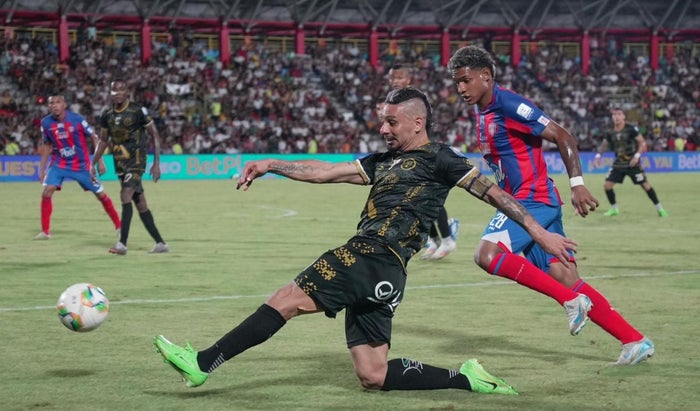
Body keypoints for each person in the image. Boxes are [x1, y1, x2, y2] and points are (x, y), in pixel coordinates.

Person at [153, 87, 589, 393]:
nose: (383, 128)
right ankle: (469, 379)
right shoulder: (382, 161)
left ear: (417, 122)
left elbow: (496, 195)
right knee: (373, 375)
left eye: (391, 121)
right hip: (388, 272)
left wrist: (540, 233)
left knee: (286, 299)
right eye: (382, 120)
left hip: (369, 253)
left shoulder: (442, 159)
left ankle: (203, 362)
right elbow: (325, 172)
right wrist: (272, 164)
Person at [447, 46, 654, 365]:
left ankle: (570, 302)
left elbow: (563, 135)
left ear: (486, 76)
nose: (460, 88)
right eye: (457, 82)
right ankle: (634, 340)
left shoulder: (508, 104)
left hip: (533, 198)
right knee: (565, 276)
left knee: (487, 255)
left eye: (465, 80)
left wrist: (577, 184)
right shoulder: (483, 110)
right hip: (527, 201)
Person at [387, 63, 459, 260]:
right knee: (415, 198)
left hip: (422, 151)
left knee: (430, 195)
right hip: (406, 152)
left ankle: (447, 239)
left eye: (399, 77)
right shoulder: (393, 99)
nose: (395, 81)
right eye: (392, 77)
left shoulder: (416, 99)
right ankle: (434, 240)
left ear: (408, 79)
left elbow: (424, 124)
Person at [91, 80, 169, 255]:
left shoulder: (137, 111)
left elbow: (155, 135)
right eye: (114, 90)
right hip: (120, 163)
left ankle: (122, 244)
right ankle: (161, 244)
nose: (118, 93)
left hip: (137, 161)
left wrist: (156, 163)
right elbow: (103, 141)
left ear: (127, 92)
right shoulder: (107, 114)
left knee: (125, 194)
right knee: (141, 205)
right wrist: (93, 162)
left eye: (121, 90)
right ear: (110, 93)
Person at [34, 94, 121, 240]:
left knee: (100, 195)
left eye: (58, 102)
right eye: (51, 103)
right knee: (47, 191)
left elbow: (94, 137)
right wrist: (42, 169)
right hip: (59, 163)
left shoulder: (77, 119)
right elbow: (47, 146)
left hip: (81, 165)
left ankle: (119, 226)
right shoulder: (46, 123)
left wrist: (99, 161)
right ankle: (45, 232)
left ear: (64, 105)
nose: (54, 105)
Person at [594, 108, 668, 217]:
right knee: (607, 186)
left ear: (623, 117)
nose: (616, 116)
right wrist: (598, 155)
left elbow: (642, 142)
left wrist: (637, 156)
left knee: (645, 186)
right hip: (619, 163)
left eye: (619, 114)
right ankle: (614, 209)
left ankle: (660, 209)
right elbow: (604, 145)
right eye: (614, 114)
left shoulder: (631, 129)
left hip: (632, 163)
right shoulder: (610, 131)